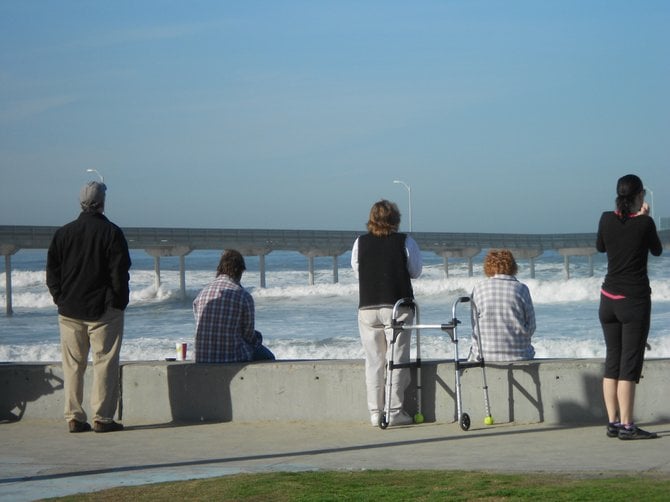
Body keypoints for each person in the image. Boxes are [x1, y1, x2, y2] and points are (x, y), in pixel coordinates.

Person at [46, 180, 131, 433]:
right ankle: (102, 418)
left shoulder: (63, 233)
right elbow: (120, 272)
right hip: (103, 310)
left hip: (69, 309)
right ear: (102, 204)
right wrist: (118, 302)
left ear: (81, 203)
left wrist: (59, 298)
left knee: (73, 365)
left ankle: (73, 416)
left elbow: (52, 272)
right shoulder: (112, 233)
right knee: (104, 362)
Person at [597, 174, 662, 440]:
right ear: (639, 196)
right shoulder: (645, 223)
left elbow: (601, 247)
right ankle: (627, 426)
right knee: (629, 365)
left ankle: (612, 422)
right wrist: (645, 217)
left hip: (607, 299)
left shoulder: (605, 218)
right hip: (633, 301)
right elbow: (657, 251)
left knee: (612, 360)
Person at [351, 200, 422, 427]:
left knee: (374, 361)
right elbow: (416, 271)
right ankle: (393, 412)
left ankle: (375, 412)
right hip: (397, 305)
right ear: (396, 219)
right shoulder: (405, 241)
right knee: (396, 359)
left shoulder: (360, 242)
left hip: (368, 306)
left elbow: (357, 270)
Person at [193, 249, 275, 363]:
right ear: (240, 271)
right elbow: (249, 336)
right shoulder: (243, 296)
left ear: (219, 269)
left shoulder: (201, 294)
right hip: (231, 357)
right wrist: (259, 338)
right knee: (269, 357)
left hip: (202, 357)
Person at [468, 249, 536, 362]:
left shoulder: (479, 288)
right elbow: (531, 326)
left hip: (484, 355)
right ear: (513, 267)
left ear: (487, 267)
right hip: (519, 354)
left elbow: (475, 325)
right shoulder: (521, 288)